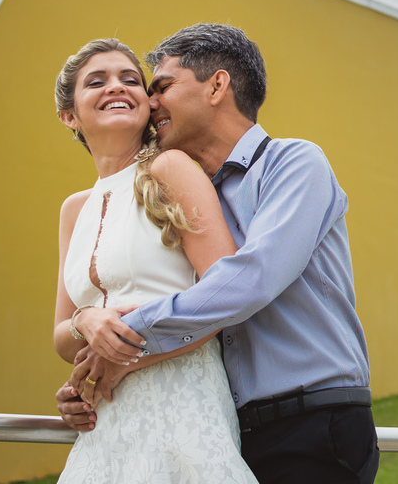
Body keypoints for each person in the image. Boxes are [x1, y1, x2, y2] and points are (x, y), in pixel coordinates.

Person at [57, 23, 379, 484]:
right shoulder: (189, 190)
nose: (152, 103)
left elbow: (250, 280)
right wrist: (91, 368)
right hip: (228, 423)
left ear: (217, 86)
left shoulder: (294, 163)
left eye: (161, 86)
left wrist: (122, 343)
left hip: (311, 420)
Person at [53, 38, 257, 483]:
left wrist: (119, 359)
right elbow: (63, 337)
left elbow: (224, 294)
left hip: (181, 401)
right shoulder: (73, 209)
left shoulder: (170, 169)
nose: (118, 87)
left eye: (130, 80)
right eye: (97, 81)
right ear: (70, 115)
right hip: (106, 423)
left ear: (147, 105)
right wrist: (86, 321)